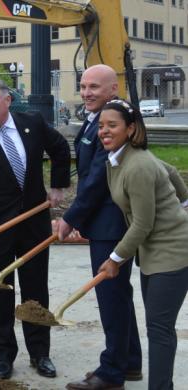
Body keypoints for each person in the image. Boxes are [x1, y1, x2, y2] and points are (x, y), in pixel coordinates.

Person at [0, 78, 70, 380]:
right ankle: (3, 356)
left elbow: (61, 148)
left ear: (7, 100)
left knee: (35, 290)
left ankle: (40, 353)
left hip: (34, 224)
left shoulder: (32, 123)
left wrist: (58, 185)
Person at [56, 65, 143, 389]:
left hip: (113, 224)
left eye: (94, 86)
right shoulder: (97, 119)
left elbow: (97, 178)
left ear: (113, 89)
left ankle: (111, 373)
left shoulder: (115, 123)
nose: (87, 92)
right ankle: (129, 362)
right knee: (118, 295)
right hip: (105, 223)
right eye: (83, 86)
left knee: (111, 297)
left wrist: (70, 218)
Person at [95, 98, 188, 390]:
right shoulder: (122, 158)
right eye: (101, 126)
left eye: (112, 125)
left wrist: (114, 259)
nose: (104, 131)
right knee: (157, 326)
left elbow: (142, 224)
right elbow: (171, 170)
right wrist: (184, 200)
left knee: (159, 330)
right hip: (153, 253)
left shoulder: (137, 166)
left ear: (131, 129)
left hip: (173, 253)